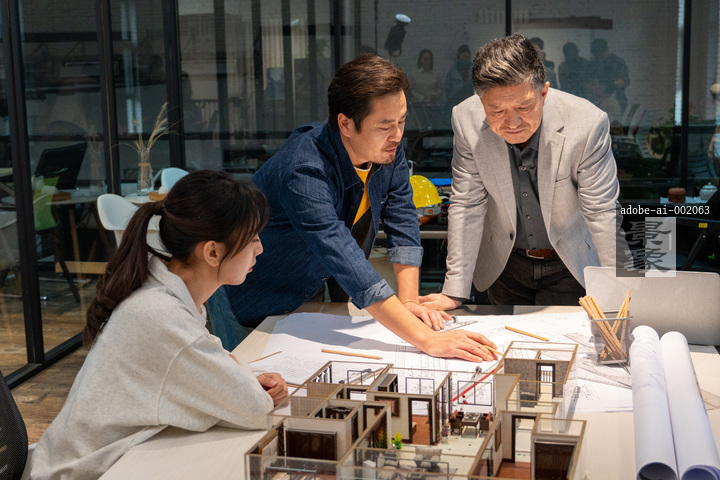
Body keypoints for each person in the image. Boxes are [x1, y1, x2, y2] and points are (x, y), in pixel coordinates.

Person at [209, 54, 497, 362]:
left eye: (401, 121)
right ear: (346, 124)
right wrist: (427, 340)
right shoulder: (305, 169)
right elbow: (341, 253)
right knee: (254, 377)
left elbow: (402, 217)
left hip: (311, 288)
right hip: (255, 292)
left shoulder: (387, 150)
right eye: (385, 126)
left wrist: (410, 302)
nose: (397, 135)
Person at [31, 171, 288, 480]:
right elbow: (255, 408)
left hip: (98, 461)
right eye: (253, 239)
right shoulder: (161, 315)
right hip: (87, 473)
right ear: (212, 252)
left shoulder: (162, 288)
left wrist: (243, 378)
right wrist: (247, 384)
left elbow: (214, 364)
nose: (260, 249)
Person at [419, 34, 628, 308]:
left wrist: (622, 291)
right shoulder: (465, 118)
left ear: (544, 93)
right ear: (481, 102)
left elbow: (602, 212)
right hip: (505, 263)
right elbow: (467, 204)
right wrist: (453, 292)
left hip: (568, 261)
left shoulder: (587, 123)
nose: (513, 123)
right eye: (497, 111)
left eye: (525, 107)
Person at [590, 38, 630, 114]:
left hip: (616, 99)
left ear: (605, 50)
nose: (597, 56)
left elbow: (624, 81)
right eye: (595, 54)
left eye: (599, 53)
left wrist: (608, 83)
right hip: (598, 101)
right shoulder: (594, 64)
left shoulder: (617, 62)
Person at [445, 45, 475, 117]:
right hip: (455, 102)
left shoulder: (474, 70)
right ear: (459, 57)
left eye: (467, 57)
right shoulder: (452, 71)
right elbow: (447, 88)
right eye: (463, 56)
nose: (465, 59)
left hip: (470, 103)